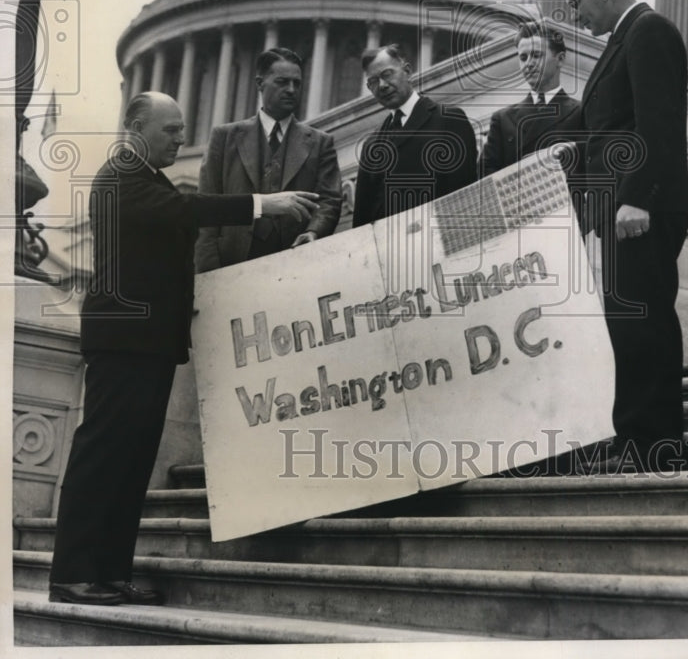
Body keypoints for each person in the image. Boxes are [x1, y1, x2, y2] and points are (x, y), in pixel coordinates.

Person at [48, 92, 319, 605]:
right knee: (103, 457)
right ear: (134, 128)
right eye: (171, 129)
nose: (181, 138)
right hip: (123, 341)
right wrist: (264, 203)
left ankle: (107, 572)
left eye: (182, 129)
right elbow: (182, 211)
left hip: (147, 343)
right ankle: (73, 574)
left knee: (131, 464)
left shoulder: (147, 178)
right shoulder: (120, 175)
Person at [561, 0, 688, 472]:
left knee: (642, 319)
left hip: (641, 205)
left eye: (577, 4)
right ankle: (636, 436)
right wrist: (568, 149)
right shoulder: (624, 38)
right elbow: (609, 125)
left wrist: (637, 197)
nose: (576, 16)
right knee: (627, 320)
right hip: (619, 205)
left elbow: (657, 125)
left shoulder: (649, 31)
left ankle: (654, 442)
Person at [194, 47, 341, 271]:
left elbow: (329, 201)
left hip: (295, 264)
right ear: (260, 83)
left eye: (297, 83)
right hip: (232, 264)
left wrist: (313, 231)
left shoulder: (321, 142)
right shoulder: (224, 138)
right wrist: (207, 275)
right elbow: (206, 211)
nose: (291, 90)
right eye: (282, 82)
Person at [352, 43, 477, 227]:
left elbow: (464, 199)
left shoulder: (449, 121)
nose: (382, 86)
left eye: (387, 74)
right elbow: (362, 220)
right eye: (373, 82)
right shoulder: (371, 145)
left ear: (408, 71)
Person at [480, 20, 581, 177]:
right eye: (523, 57)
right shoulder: (502, 119)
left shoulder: (581, 112)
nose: (528, 64)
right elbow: (486, 177)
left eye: (536, 55)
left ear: (560, 59)